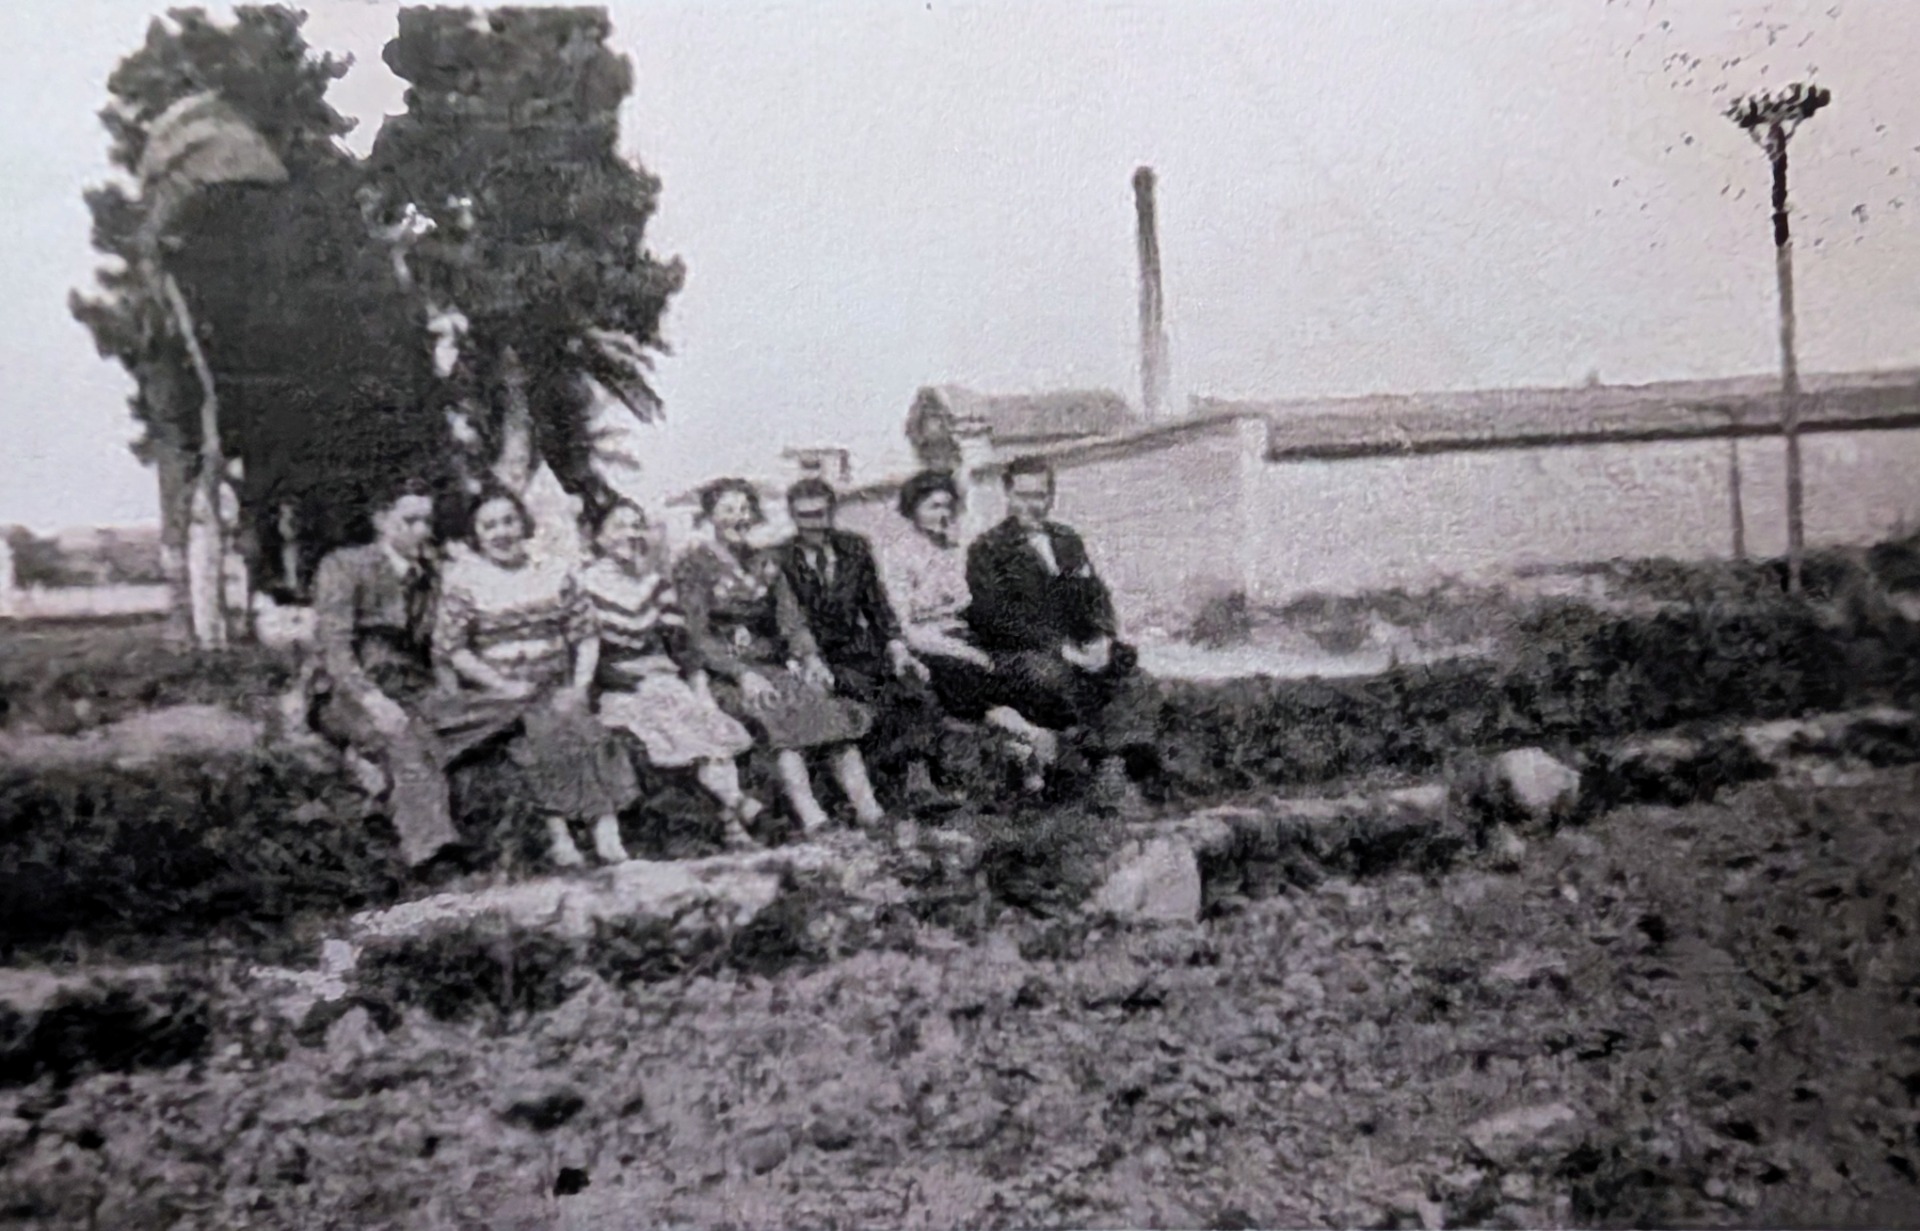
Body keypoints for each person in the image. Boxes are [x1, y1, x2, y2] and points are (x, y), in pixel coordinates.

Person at [309, 476, 521, 869]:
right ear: (381, 520)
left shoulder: (432, 575)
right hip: (350, 693)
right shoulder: (344, 565)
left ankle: (374, 761)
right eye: (410, 521)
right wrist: (372, 700)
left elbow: (439, 648)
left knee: (510, 707)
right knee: (404, 734)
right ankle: (433, 854)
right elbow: (335, 649)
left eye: (427, 521)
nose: (422, 530)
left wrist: (452, 692)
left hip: (416, 693)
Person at [433, 485, 641, 868]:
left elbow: (586, 634)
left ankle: (606, 832)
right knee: (539, 733)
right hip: (501, 690)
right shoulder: (465, 580)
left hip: (556, 682)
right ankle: (560, 836)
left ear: (523, 524)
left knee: (579, 723)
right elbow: (454, 650)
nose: (501, 533)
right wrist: (502, 685)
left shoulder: (552, 571)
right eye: (489, 526)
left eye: (509, 521)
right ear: (476, 533)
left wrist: (580, 685)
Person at [672, 477, 885, 834]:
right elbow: (698, 635)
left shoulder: (766, 562)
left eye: (745, 509)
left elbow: (790, 620)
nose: (739, 517)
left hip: (771, 668)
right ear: (709, 516)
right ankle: (812, 816)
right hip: (725, 675)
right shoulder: (693, 567)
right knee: (776, 715)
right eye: (728, 509)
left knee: (826, 708)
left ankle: (870, 810)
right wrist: (741, 673)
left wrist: (811, 658)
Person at [964, 455, 1158, 808]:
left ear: (1051, 497)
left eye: (1040, 495)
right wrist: (1060, 648)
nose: (1032, 504)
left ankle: (1117, 765)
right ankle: (1095, 766)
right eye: (1023, 495)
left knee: (1134, 676)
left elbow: (1096, 596)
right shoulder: (987, 549)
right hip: (1019, 655)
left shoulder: (1068, 540)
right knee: (1054, 677)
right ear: (1007, 494)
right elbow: (995, 619)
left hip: (1077, 647)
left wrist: (1102, 638)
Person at [583, 498, 763, 850]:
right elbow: (586, 655)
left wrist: (701, 694)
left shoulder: (654, 584)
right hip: (621, 690)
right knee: (669, 724)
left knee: (706, 723)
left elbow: (682, 647)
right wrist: (630, 680)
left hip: (665, 683)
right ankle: (737, 808)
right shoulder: (584, 588)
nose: (631, 534)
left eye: (637, 526)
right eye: (620, 526)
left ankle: (732, 824)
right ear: (599, 537)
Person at [772, 478, 959, 811]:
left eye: (820, 514)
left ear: (832, 512)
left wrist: (896, 646)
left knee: (912, 684)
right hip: (814, 655)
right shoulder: (780, 558)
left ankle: (918, 779)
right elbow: (788, 619)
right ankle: (878, 784)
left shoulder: (854, 547)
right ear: (792, 516)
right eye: (804, 516)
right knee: (860, 693)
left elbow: (877, 604)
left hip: (857, 646)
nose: (814, 524)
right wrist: (806, 658)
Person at [878, 469, 1061, 793]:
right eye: (934, 506)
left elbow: (973, 602)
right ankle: (1027, 738)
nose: (944, 514)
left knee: (1016, 671)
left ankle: (1023, 752)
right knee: (963, 677)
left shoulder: (955, 548)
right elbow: (905, 626)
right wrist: (963, 651)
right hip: (928, 642)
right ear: (913, 510)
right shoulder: (899, 556)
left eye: (948, 506)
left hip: (966, 634)